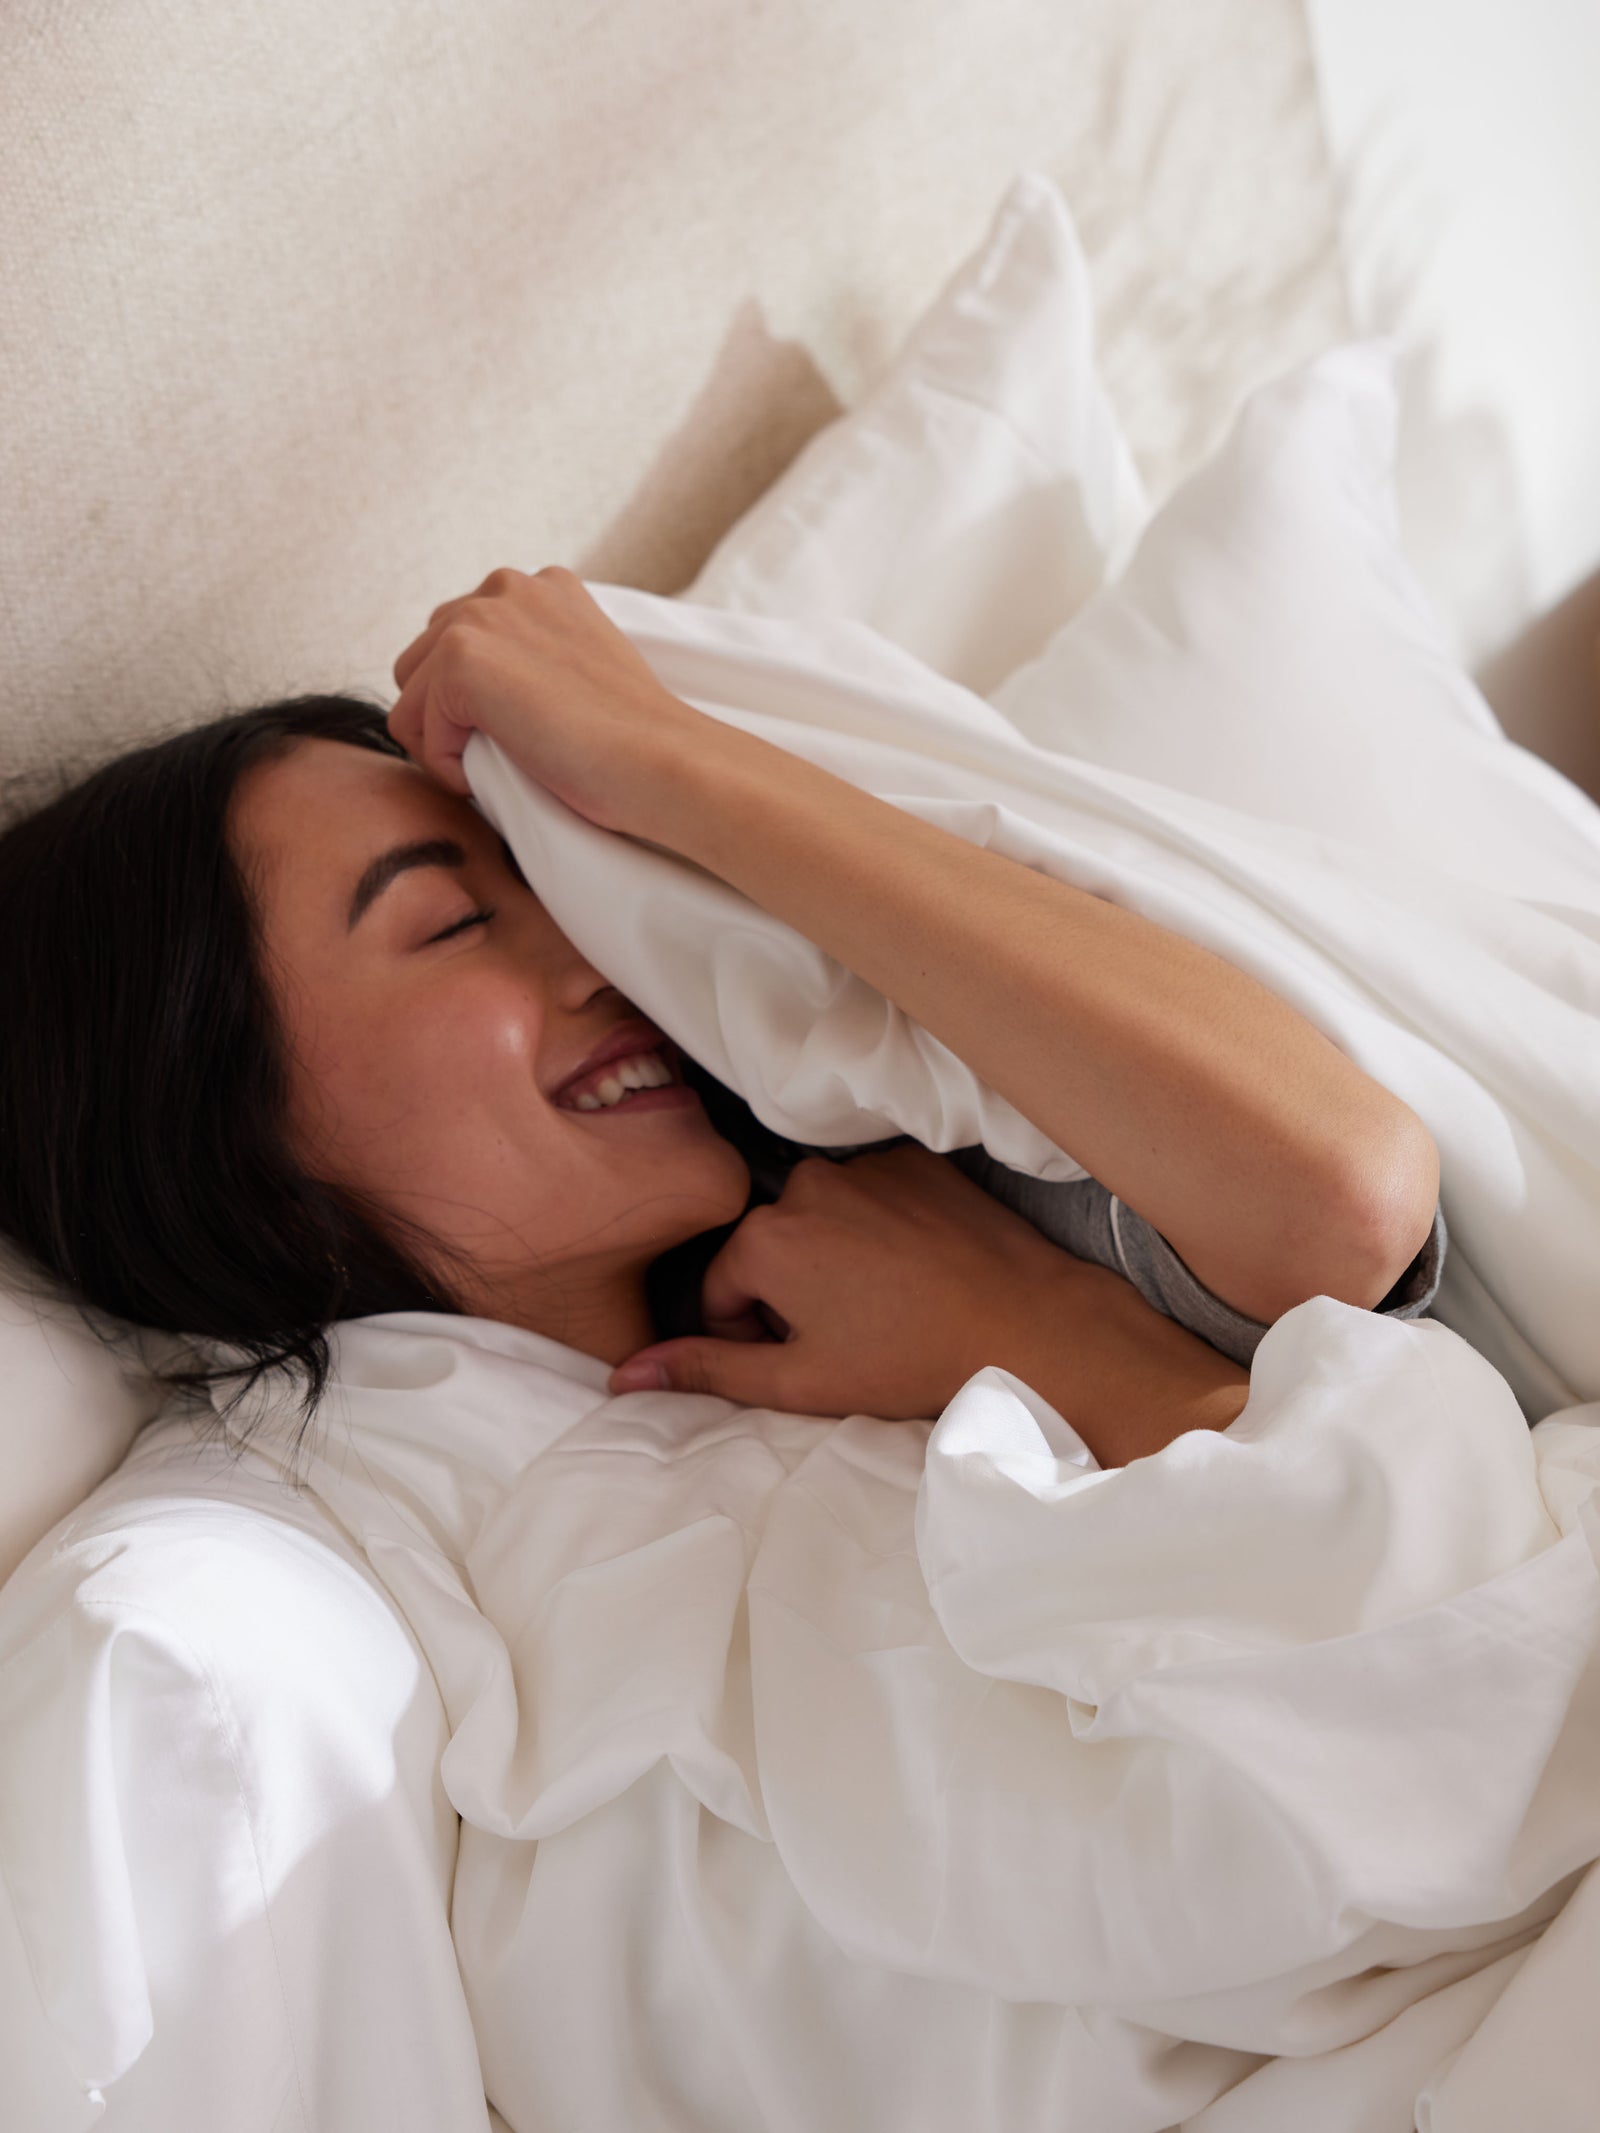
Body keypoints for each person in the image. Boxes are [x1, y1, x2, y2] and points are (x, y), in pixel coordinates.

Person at [0, 567, 1444, 1469]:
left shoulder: (901, 1163)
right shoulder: (492, 1547)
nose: (591, 950)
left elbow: (1344, 1187)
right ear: (222, 1156)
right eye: (449, 921)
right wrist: (1029, 1333)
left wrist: (667, 761)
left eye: (553, 870)